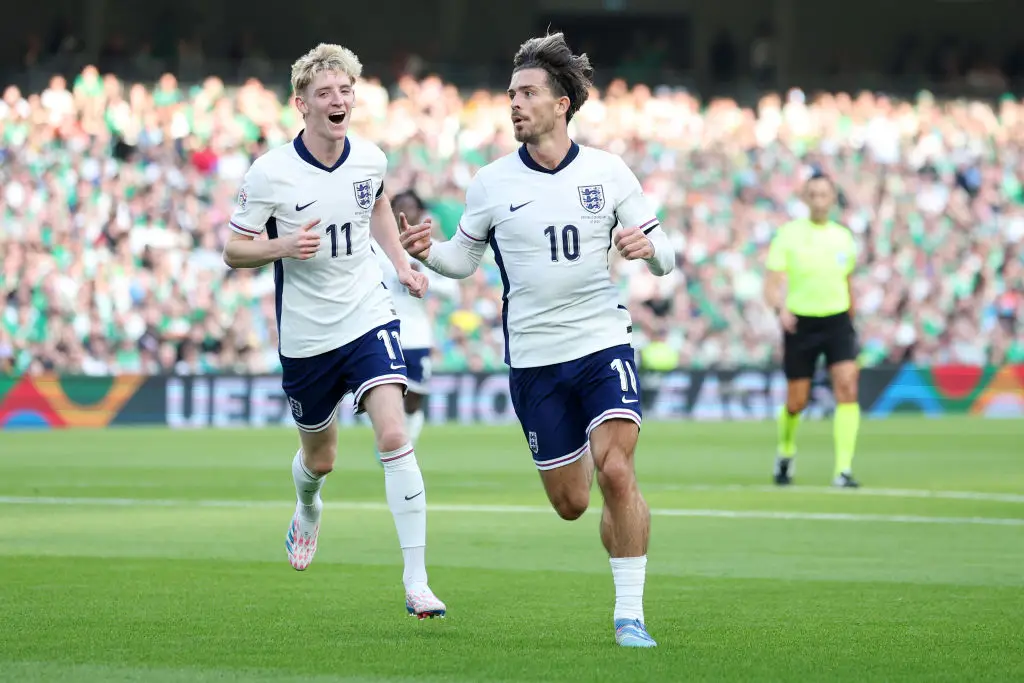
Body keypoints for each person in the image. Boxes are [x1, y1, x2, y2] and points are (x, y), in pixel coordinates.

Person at [400, 32, 674, 648]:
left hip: (604, 340)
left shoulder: (608, 171)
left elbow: (667, 257)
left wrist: (650, 248)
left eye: (527, 93)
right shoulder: (491, 183)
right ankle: (619, 526)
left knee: (618, 471)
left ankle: (629, 614)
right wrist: (427, 255)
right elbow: (463, 260)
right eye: (511, 94)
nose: (515, 104)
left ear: (562, 103)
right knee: (574, 502)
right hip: (533, 359)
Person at [222, 43, 446, 619]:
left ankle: (417, 581)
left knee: (395, 435)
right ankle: (308, 505)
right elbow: (233, 249)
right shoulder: (270, 172)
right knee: (320, 460)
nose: (338, 100)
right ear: (302, 104)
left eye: (346, 90)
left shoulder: (370, 158)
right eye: (325, 92)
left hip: (367, 314)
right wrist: (282, 246)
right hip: (305, 335)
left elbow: (375, 206)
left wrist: (398, 264)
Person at [764, 172, 862, 489]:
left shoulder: (844, 237)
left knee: (847, 387)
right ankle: (786, 450)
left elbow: (848, 282)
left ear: (832, 199)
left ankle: (843, 470)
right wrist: (780, 310)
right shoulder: (789, 235)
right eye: (814, 194)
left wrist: (851, 317)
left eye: (824, 194)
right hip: (801, 322)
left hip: (837, 320)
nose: (819, 200)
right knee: (797, 402)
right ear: (806, 199)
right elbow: (772, 283)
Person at [372, 190, 435, 449]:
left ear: (420, 212)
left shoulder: (430, 248)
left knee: (414, 399)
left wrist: (425, 275)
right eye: (399, 206)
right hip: (385, 331)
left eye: (411, 207)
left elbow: (451, 287)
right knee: (382, 396)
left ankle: (407, 441)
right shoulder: (376, 246)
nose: (405, 212)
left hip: (418, 335)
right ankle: (391, 443)